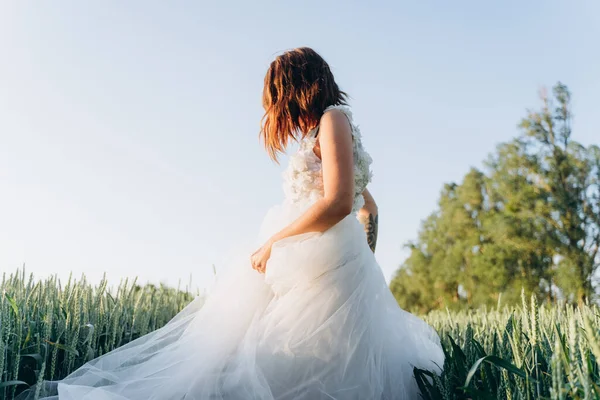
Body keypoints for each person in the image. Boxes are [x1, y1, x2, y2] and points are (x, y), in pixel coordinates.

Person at [19, 47, 443, 400]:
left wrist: (275, 242)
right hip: (332, 258)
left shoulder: (333, 120)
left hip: (319, 259)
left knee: (275, 353)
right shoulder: (330, 126)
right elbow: (366, 206)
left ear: (296, 87)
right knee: (290, 353)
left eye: (278, 94)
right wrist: (362, 255)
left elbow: (336, 203)